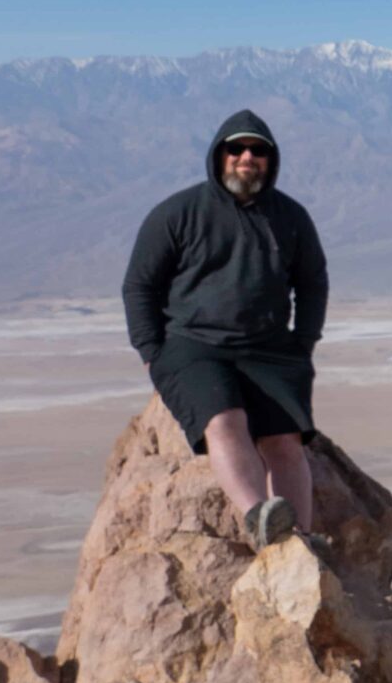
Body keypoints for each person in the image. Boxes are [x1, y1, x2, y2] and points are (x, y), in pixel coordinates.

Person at [122, 109, 330, 551]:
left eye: (257, 151)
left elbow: (312, 282)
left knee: (285, 441)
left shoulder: (290, 217)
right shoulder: (177, 213)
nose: (246, 158)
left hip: (271, 347)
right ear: (219, 155)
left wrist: (304, 342)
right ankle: (261, 516)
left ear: (270, 160)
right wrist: (150, 351)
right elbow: (140, 285)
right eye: (236, 149)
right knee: (225, 420)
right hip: (194, 346)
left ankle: (301, 544)